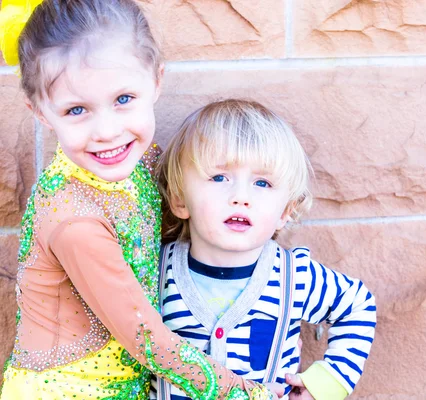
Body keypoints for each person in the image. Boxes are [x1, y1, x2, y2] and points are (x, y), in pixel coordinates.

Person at [0, 1, 276, 399]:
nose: (108, 132)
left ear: (156, 80)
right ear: (40, 112)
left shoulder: (140, 163)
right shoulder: (76, 221)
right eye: (77, 109)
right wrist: (250, 394)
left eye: (124, 99)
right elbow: (147, 339)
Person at [155, 99, 377, 400]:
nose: (241, 197)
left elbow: (358, 305)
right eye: (219, 177)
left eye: (262, 183)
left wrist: (324, 385)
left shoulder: (295, 277)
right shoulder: (156, 271)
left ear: (285, 210)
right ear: (180, 199)